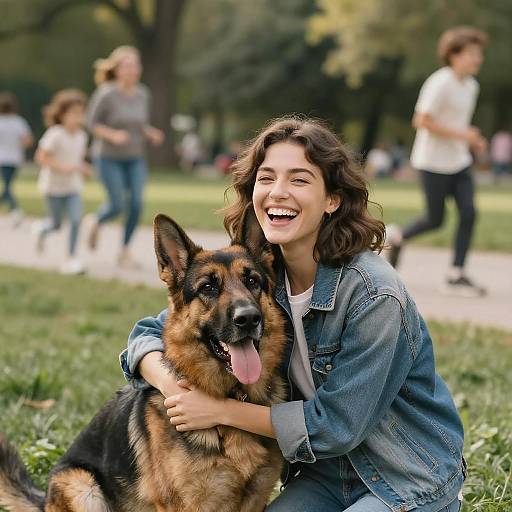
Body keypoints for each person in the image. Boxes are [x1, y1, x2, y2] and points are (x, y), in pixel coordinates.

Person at [120, 117, 465, 511]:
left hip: (406, 477)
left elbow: (335, 428)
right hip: (326, 476)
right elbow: (149, 332)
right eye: (267, 179)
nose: (278, 193)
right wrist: (174, 389)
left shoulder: (375, 295)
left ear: (332, 199)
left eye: (299, 180)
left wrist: (220, 411)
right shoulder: (260, 276)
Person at [387, 27, 488, 297]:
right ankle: (397, 236)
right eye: (472, 54)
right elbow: (421, 120)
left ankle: (456, 274)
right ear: (453, 55)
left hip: (459, 161)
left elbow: (457, 124)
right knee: (435, 219)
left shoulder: (471, 86)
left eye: (479, 54)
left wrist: (470, 140)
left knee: (469, 212)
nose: (478, 59)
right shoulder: (440, 82)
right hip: (432, 162)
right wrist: (463, 134)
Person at [86, 45, 164, 267]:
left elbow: (139, 124)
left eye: (135, 65)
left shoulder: (142, 93)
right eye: (127, 65)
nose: (133, 70)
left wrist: (150, 132)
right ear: (117, 69)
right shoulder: (106, 93)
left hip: (135, 157)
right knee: (117, 204)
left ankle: (124, 250)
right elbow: (91, 122)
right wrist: (111, 134)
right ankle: (96, 220)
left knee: (137, 203)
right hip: (107, 157)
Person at [34, 89, 91, 275]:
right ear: (62, 114)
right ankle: (42, 230)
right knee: (56, 224)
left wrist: (83, 168)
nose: (78, 118)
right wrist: (61, 167)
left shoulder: (82, 136)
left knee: (76, 220)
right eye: (73, 113)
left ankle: (71, 258)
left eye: (81, 113)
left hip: (73, 187)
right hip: (53, 187)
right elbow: (40, 157)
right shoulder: (55, 133)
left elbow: (77, 158)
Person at [0, 91, 33, 225]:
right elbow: (27, 140)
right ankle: (15, 210)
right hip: (15, 158)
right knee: (8, 185)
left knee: (7, 186)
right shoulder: (18, 122)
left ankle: (15, 210)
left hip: (2, 158)